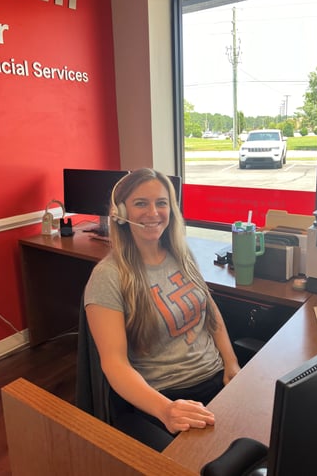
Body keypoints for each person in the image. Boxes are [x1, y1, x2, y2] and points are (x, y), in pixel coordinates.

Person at [84, 168, 240, 441]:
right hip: (165, 396)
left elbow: (210, 311)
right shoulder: (108, 277)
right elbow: (114, 363)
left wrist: (231, 363)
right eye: (140, 203)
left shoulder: (181, 253)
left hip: (216, 379)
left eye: (161, 203)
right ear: (120, 213)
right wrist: (166, 409)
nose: (153, 213)